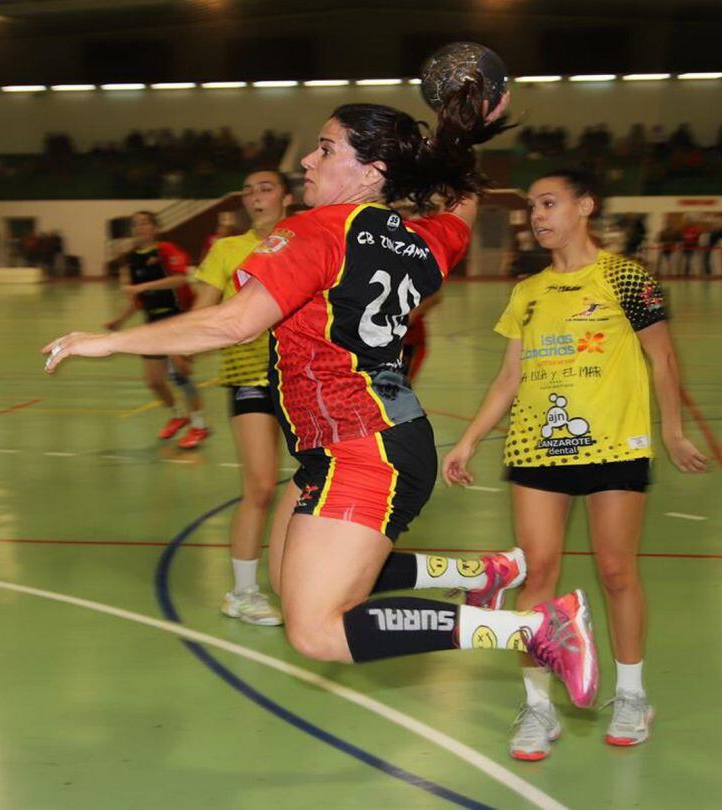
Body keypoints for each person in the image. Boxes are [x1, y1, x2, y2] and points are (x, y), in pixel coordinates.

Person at [45, 81, 600, 710]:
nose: (307, 161)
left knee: (315, 629)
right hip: (362, 438)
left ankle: (533, 627)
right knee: (286, 578)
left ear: (371, 172)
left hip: (362, 448)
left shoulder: (317, 231)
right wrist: (460, 135)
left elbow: (235, 322)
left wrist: (111, 342)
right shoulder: (423, 240)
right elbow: (462, 205)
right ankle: (476, 574)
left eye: (324, 148)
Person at [442, 169, 709, 760]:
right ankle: (537, 708)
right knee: (537, 574)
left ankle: (632, 695)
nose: (538, 215)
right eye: (533, 206)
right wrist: (468, 440)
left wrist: (670, 431)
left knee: (617, 572)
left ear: (584, 206)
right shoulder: (526, 292)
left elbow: (661, 359)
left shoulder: (626, 277)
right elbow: (508, 377)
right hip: (537, 449)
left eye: (549, 203)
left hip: (616, 445)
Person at [190, 171, 291, 625]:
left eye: (265, 188)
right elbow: (203, 307)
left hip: (306, 378)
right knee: (261, 485)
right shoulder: (226, 249)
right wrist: (182, 342)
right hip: (249, 374)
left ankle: (301, 575)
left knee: (318, 483)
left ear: (287, 196)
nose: (254, 196)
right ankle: (243, 592)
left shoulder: (307, 238)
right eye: (247, 189)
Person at [109, 211, 208, 448]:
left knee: (180, 374)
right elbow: (138, 299)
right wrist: (119, 321)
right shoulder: (132, 259)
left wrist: (142, 286)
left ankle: (199, 426)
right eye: (135, 225)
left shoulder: (166, 250)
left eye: (144, 223)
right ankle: (176, 415)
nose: (139, 228)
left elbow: (179, 279)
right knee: (153, 380)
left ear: (155, 228)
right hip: (153, 324)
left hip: (177, 318)